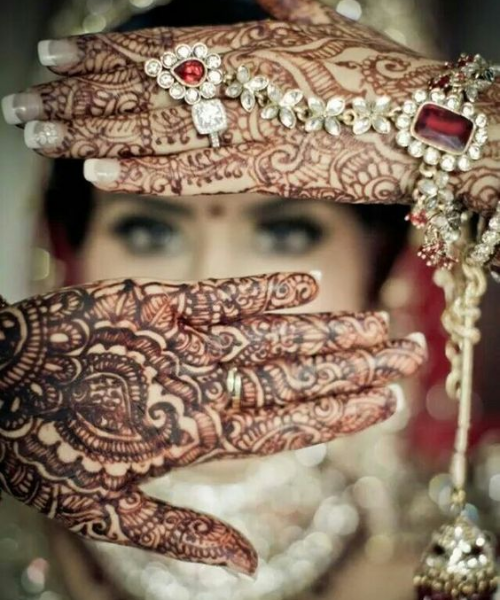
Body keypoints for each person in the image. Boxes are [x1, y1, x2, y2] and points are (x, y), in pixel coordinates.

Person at [1, 0, 499, 599]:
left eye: (284, 230)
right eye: (149, 231)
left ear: (383, 266)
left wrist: (475, 138)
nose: (212, 290)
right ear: (70, 260)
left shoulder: (472, 540)